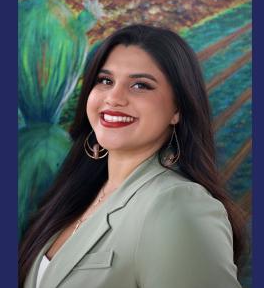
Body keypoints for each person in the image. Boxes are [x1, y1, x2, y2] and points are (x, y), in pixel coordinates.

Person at [19, 24, 247, 288]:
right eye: (105, 81)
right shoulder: (81, 192)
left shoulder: (179, 205)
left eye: (140, 85)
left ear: (178, 109)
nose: (114, 98)